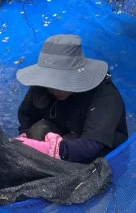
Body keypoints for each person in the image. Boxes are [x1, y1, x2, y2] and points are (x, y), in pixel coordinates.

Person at [13, 35, 128, 164]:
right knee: (39, 129)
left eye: (62, 84)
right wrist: (25, 137)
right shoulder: (41, 87)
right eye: (51, 85)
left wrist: (53, 150)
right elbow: (27, 115)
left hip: (101, 153)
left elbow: (92, 145)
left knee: (71, 143)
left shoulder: (106, 96)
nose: (56, 91)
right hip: (62, 131)